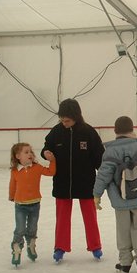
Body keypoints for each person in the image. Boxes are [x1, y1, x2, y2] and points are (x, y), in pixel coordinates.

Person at [93, 116, 137, 273]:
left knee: (123, 230)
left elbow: (103, 175)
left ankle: (125, 263)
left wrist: (97, 194)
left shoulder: (110, 151)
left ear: (115, 131)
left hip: (119, 200)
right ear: (132, 129)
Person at [41, 98, 104, 263]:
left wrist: (106, 178)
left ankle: (95, 246)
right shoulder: (56, 131)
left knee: (90, 216)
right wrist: (46, 153)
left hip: (86, 182)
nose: (64, 123)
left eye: (67, 120)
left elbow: (99, 158)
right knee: (62, 217)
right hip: (62, 183)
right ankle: (60, 247)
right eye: (61, 119)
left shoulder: (89, 132)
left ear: (76, 116)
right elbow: (46, 147)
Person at [9, 143, 56, 267]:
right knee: (20, 229)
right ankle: (17, 250)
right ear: (18, 156)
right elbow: (12, 184)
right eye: (26, 152)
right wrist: (11, 195)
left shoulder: (37, 167)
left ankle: (31, 245)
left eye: (30, 152)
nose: (30, 154)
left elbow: (51, 172)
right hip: (20, 205)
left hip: (35, 204)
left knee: (32, 228)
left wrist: (52, 161)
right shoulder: (15, 171)